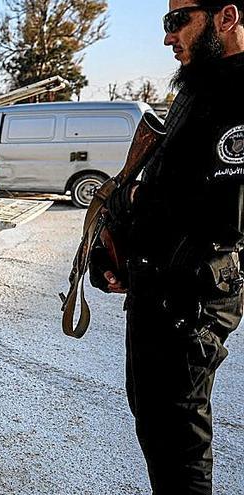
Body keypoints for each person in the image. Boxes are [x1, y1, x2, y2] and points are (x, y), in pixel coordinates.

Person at [92, 1, 244, 492]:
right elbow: (168, 191)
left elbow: (222, 220)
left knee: (180, 447)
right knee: (156, 425)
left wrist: (140, 209)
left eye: (177, 21)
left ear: (226, 17)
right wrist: (119, 248)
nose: (167, 37)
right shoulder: (198, 88)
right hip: (160, 291)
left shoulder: (237, 93)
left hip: (189, 300)